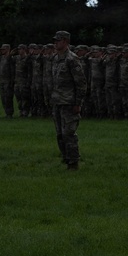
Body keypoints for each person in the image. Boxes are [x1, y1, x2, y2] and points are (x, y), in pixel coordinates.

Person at [50, 30, 87, 171]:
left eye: (58, 41)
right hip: (57, 102)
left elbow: (81, 83)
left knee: (68, 134)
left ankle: (73, 162)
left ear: (65, 42)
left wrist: (78, 103)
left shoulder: (72, 59)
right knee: (60, 134)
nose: (55, 43)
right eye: (55, 40)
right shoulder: (55, 58)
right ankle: (66, 159)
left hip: (69, 103)